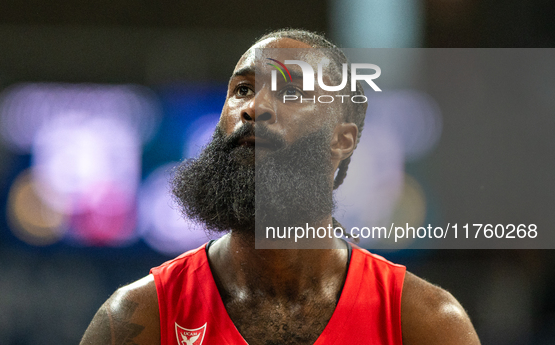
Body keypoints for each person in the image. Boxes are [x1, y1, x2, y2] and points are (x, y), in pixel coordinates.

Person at [80, 29, 480, 345]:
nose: (254, 107)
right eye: (242, 89)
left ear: (341, 141)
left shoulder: (423, 322)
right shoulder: (141, 317)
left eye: (290, 92)